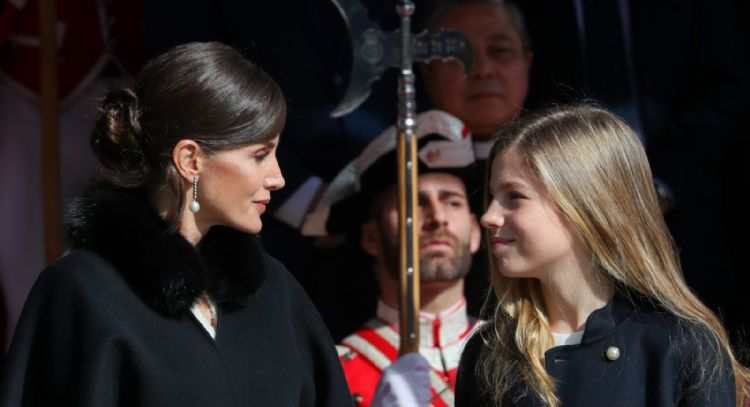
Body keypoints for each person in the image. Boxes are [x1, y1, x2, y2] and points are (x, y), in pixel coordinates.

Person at [0, 42, 352, 407]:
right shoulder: (83, 292)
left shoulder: (275, 290)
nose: (277, 178)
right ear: (190, 160)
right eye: (259, 155)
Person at [455, 105, 750, 406]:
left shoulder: (678, 346)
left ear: (583, 203)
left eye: (514, 197)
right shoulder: (489, 354)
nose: (488, 216)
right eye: (492, 197)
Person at [303, 110, 482, 406]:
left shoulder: (517, 347)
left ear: (475, 232)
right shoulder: (335, 372)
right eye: (414, 204)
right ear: (372, 238)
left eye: (452, 202)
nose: (438, 217)